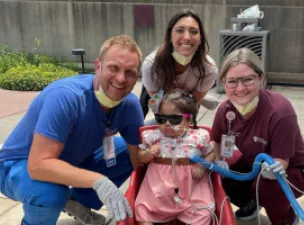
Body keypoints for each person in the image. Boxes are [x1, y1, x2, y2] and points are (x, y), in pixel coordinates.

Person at [0, 35, 144, 225]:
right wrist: (99, 181)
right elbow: (38, 166)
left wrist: (144, 206)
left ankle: (75, 201)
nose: (121, 78)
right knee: (49, 194)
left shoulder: (129, 105)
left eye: (130, 72)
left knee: (125, 152)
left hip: (71, 157)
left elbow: (138, 161)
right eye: (114, 68)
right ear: (98, 66)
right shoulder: (66, 97)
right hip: (20, 165)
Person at [211, 48, 304, 225]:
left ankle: (286, 218)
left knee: (267, 188)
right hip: (254, 163)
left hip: (293, 171)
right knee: (221, 175)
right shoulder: (225, 110)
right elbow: (216, 141)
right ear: (223, 83)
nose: (240, 88)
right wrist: (218, 161)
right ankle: (250, 202)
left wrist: (272, 170)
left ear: (260, 77)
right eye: (232, 81)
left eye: (248, 79)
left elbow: (282, 161)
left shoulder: (280, 112)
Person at [134, 89, 216, 225]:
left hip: (190, 187)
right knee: (142, 209)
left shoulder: (198, 137)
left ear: (189, 119)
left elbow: (212, 152)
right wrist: (148, 154)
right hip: (158, 187)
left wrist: (202, 165)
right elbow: (139, 157)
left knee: (203, 212)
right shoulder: (153, 136)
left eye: (175, 119)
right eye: (161, 118)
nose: (167, 123)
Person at [140, 8, 219, 122]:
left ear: (200, 38)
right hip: (161, 94)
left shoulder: (208, 69)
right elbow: (157, 103)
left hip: (189, 99)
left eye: (194, 31)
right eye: (180, 30)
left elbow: (193, 103)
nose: (187, 37)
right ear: (170, 36)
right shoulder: (151, 65)